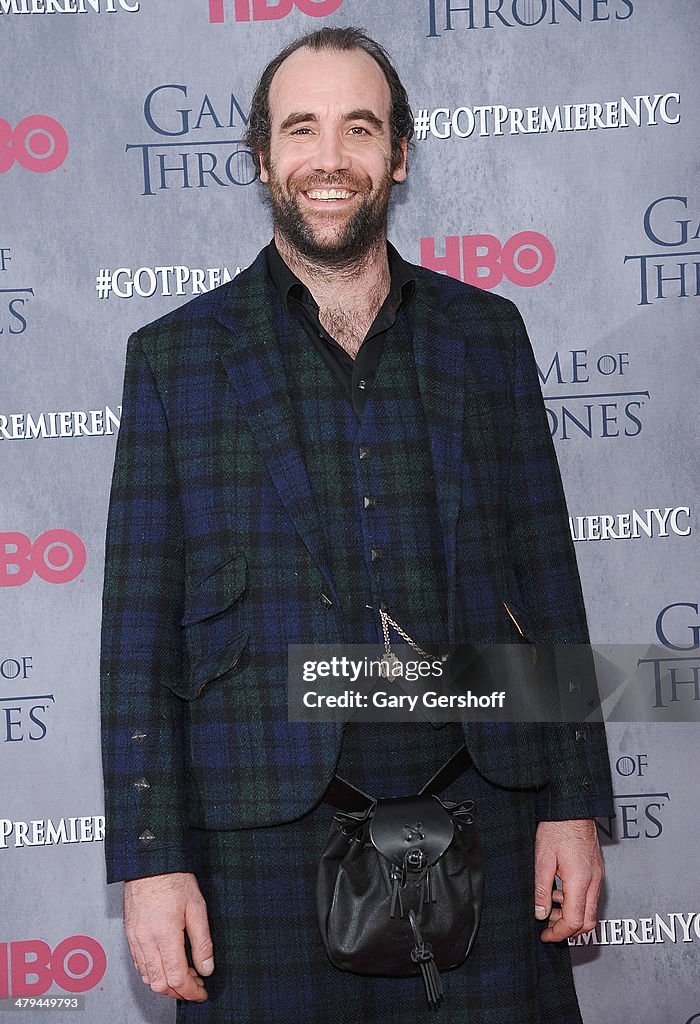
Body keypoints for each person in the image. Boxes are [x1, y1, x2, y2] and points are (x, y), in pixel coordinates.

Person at [100, 26, 613, 1024]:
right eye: (301, 129)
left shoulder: (487, 336)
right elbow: (136, 640)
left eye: (360, 128)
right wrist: (152, 863)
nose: (329, 159)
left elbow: (546, 578)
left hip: (490, 814)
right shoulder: (175, 359)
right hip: (261, 845)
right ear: (262, 157)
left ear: (399, 155)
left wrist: (572, 800)